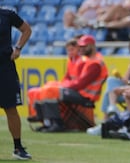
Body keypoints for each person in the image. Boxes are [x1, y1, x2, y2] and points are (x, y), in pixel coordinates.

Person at [34, 35, 108, 132]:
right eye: (80, 47)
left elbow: (80, 84)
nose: (81, 49)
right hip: (80, 92)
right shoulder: (89, 60)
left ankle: (56, 124)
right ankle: (47, 122)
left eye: (84, 46)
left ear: (92, 46)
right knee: (47, 88)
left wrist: (63, 86)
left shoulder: (95, 63)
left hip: (85, 96)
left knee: (50, 91)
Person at [0, 8, 32, 160]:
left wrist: (18, 48)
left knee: (11, 108)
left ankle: (18, 148)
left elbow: (26, 29)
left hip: (5, 67)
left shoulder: (7, 15)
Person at [27, 37, 83, 120]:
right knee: (46, 86)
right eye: (68, 50)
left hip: (74, 88)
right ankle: (37, 114)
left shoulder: (81, 61)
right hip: (69, 85)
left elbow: (78, 80)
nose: (70, 52)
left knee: (49, 89)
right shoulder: (70, 61)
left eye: (72, 49)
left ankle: (51, 119)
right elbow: (67, 77)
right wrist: (63, 83)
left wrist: (64, 85)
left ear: (78, 49)